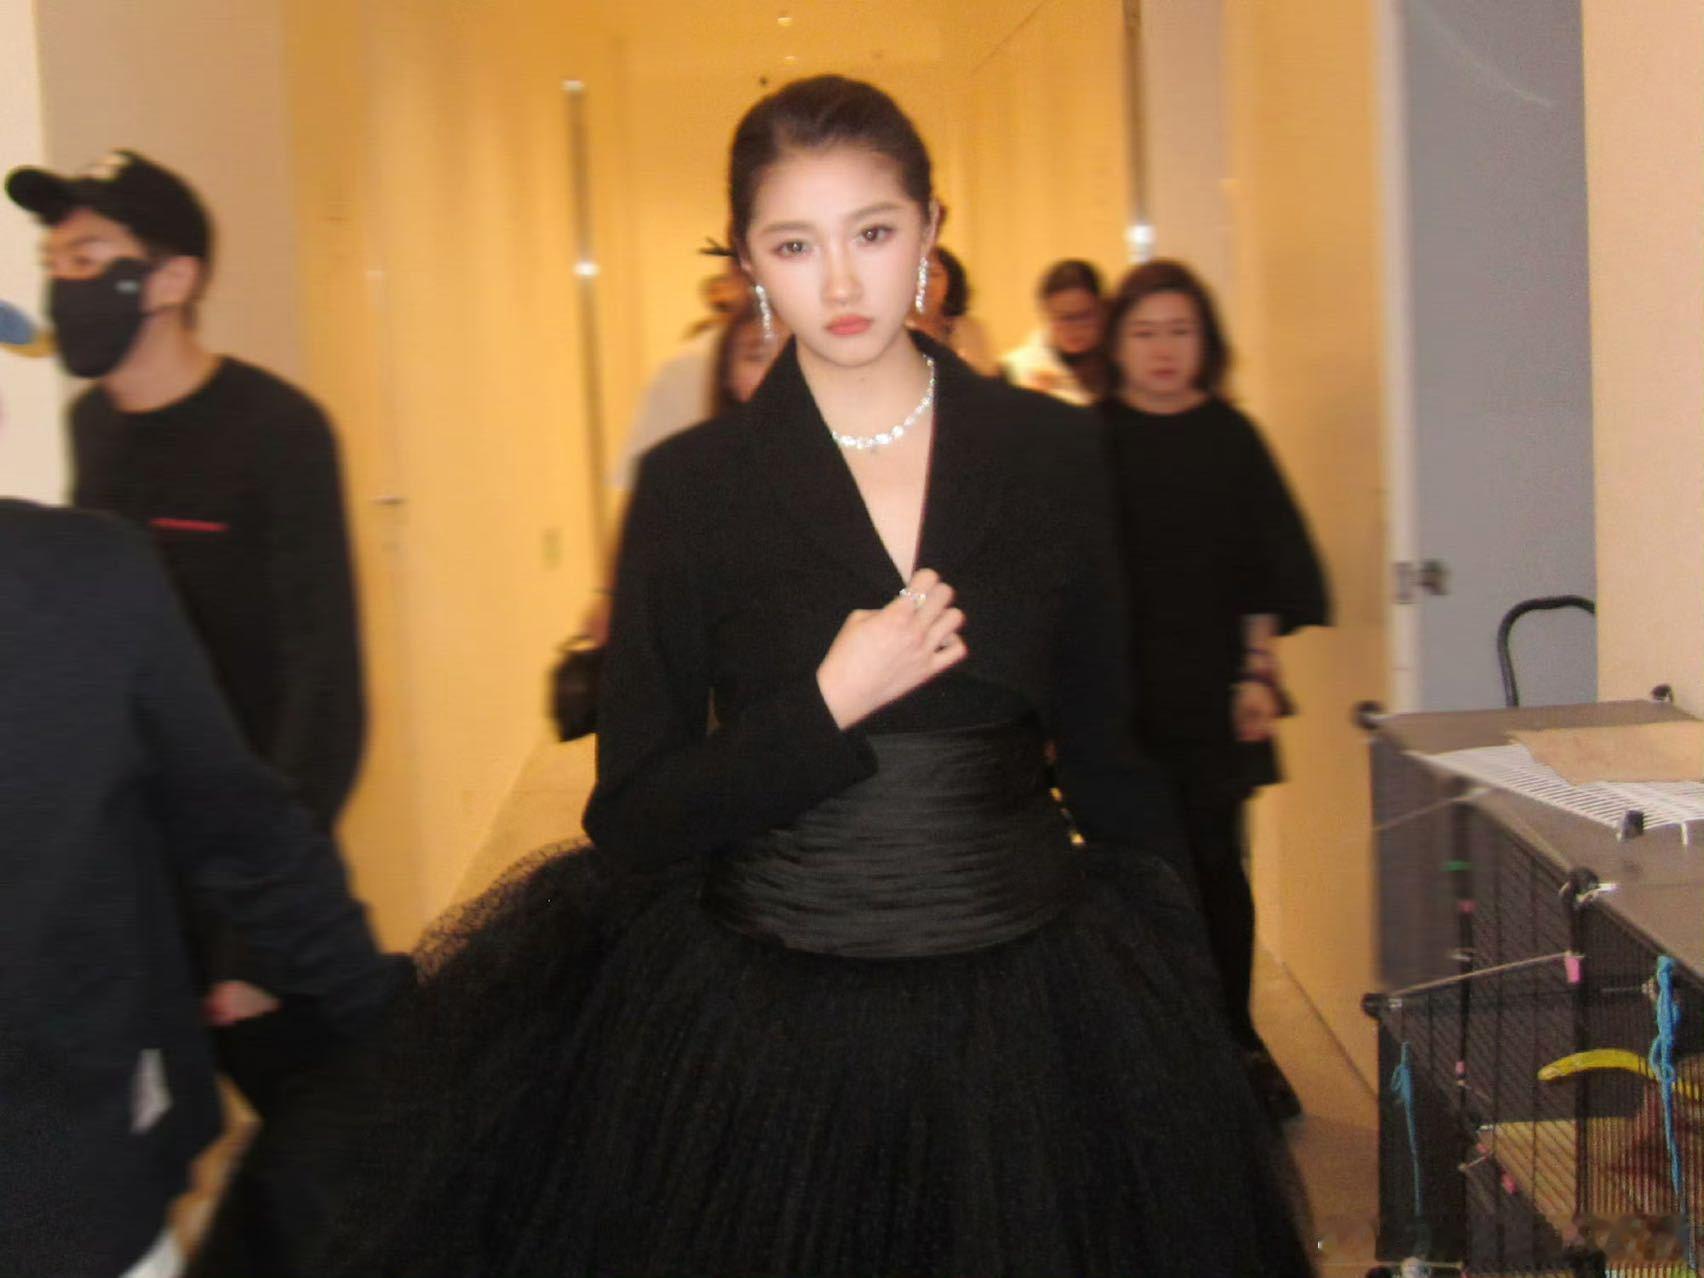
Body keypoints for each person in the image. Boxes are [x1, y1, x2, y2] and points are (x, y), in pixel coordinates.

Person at [198, 76, 1311, 1277]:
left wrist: (1193, 1015)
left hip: (1032, 1000)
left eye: (872, 233)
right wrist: (828, 705)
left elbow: (1109, 760)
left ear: (931, 231)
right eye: (794, 245)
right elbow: (635, 815)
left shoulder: (1055, 454)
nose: (840, 284)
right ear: (747, 263)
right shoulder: (694, 489)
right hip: (775, 1019)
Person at [6, 149, 368, 1106]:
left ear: (171, 280)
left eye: (88, 257)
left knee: (334, 1139)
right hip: (139, 876)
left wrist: (255, 941)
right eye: (54, 262)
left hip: (254, 867)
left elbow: (325, 693)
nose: (62, 282)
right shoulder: (91, 429)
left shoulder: (276, 430)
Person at [0, 499, 404, 1278]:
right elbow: (245, 837)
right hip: (78, 1192)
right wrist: (397, 1026)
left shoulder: (81, 574)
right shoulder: (79, 573)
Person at [1099, 258, 1330, 1124]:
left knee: (1214, 872)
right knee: (1128, 877)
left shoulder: (1231, 437)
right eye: (1145, 332)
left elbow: (1266, 567)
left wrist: (1258, 673)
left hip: (1214, 695)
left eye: (1180, 331)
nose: (1163, 349)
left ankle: (1235, 1042)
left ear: (1206, 341)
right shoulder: (1088, 439)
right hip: (1115, 698)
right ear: (1118, 343)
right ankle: (1146, 1054)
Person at [999, 257, 1109, 404]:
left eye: (1084, 316)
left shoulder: (1122, 366)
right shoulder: (1015, 371)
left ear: (1102, 309)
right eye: (1062, 318)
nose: (1073, 327)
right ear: (1046, 314)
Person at [911, 244, 996, 375]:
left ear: (951, 281)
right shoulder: (889, 330)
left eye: (934, 275)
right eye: (917, 274)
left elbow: (985, 379)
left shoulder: (969, 330)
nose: (925, 283)